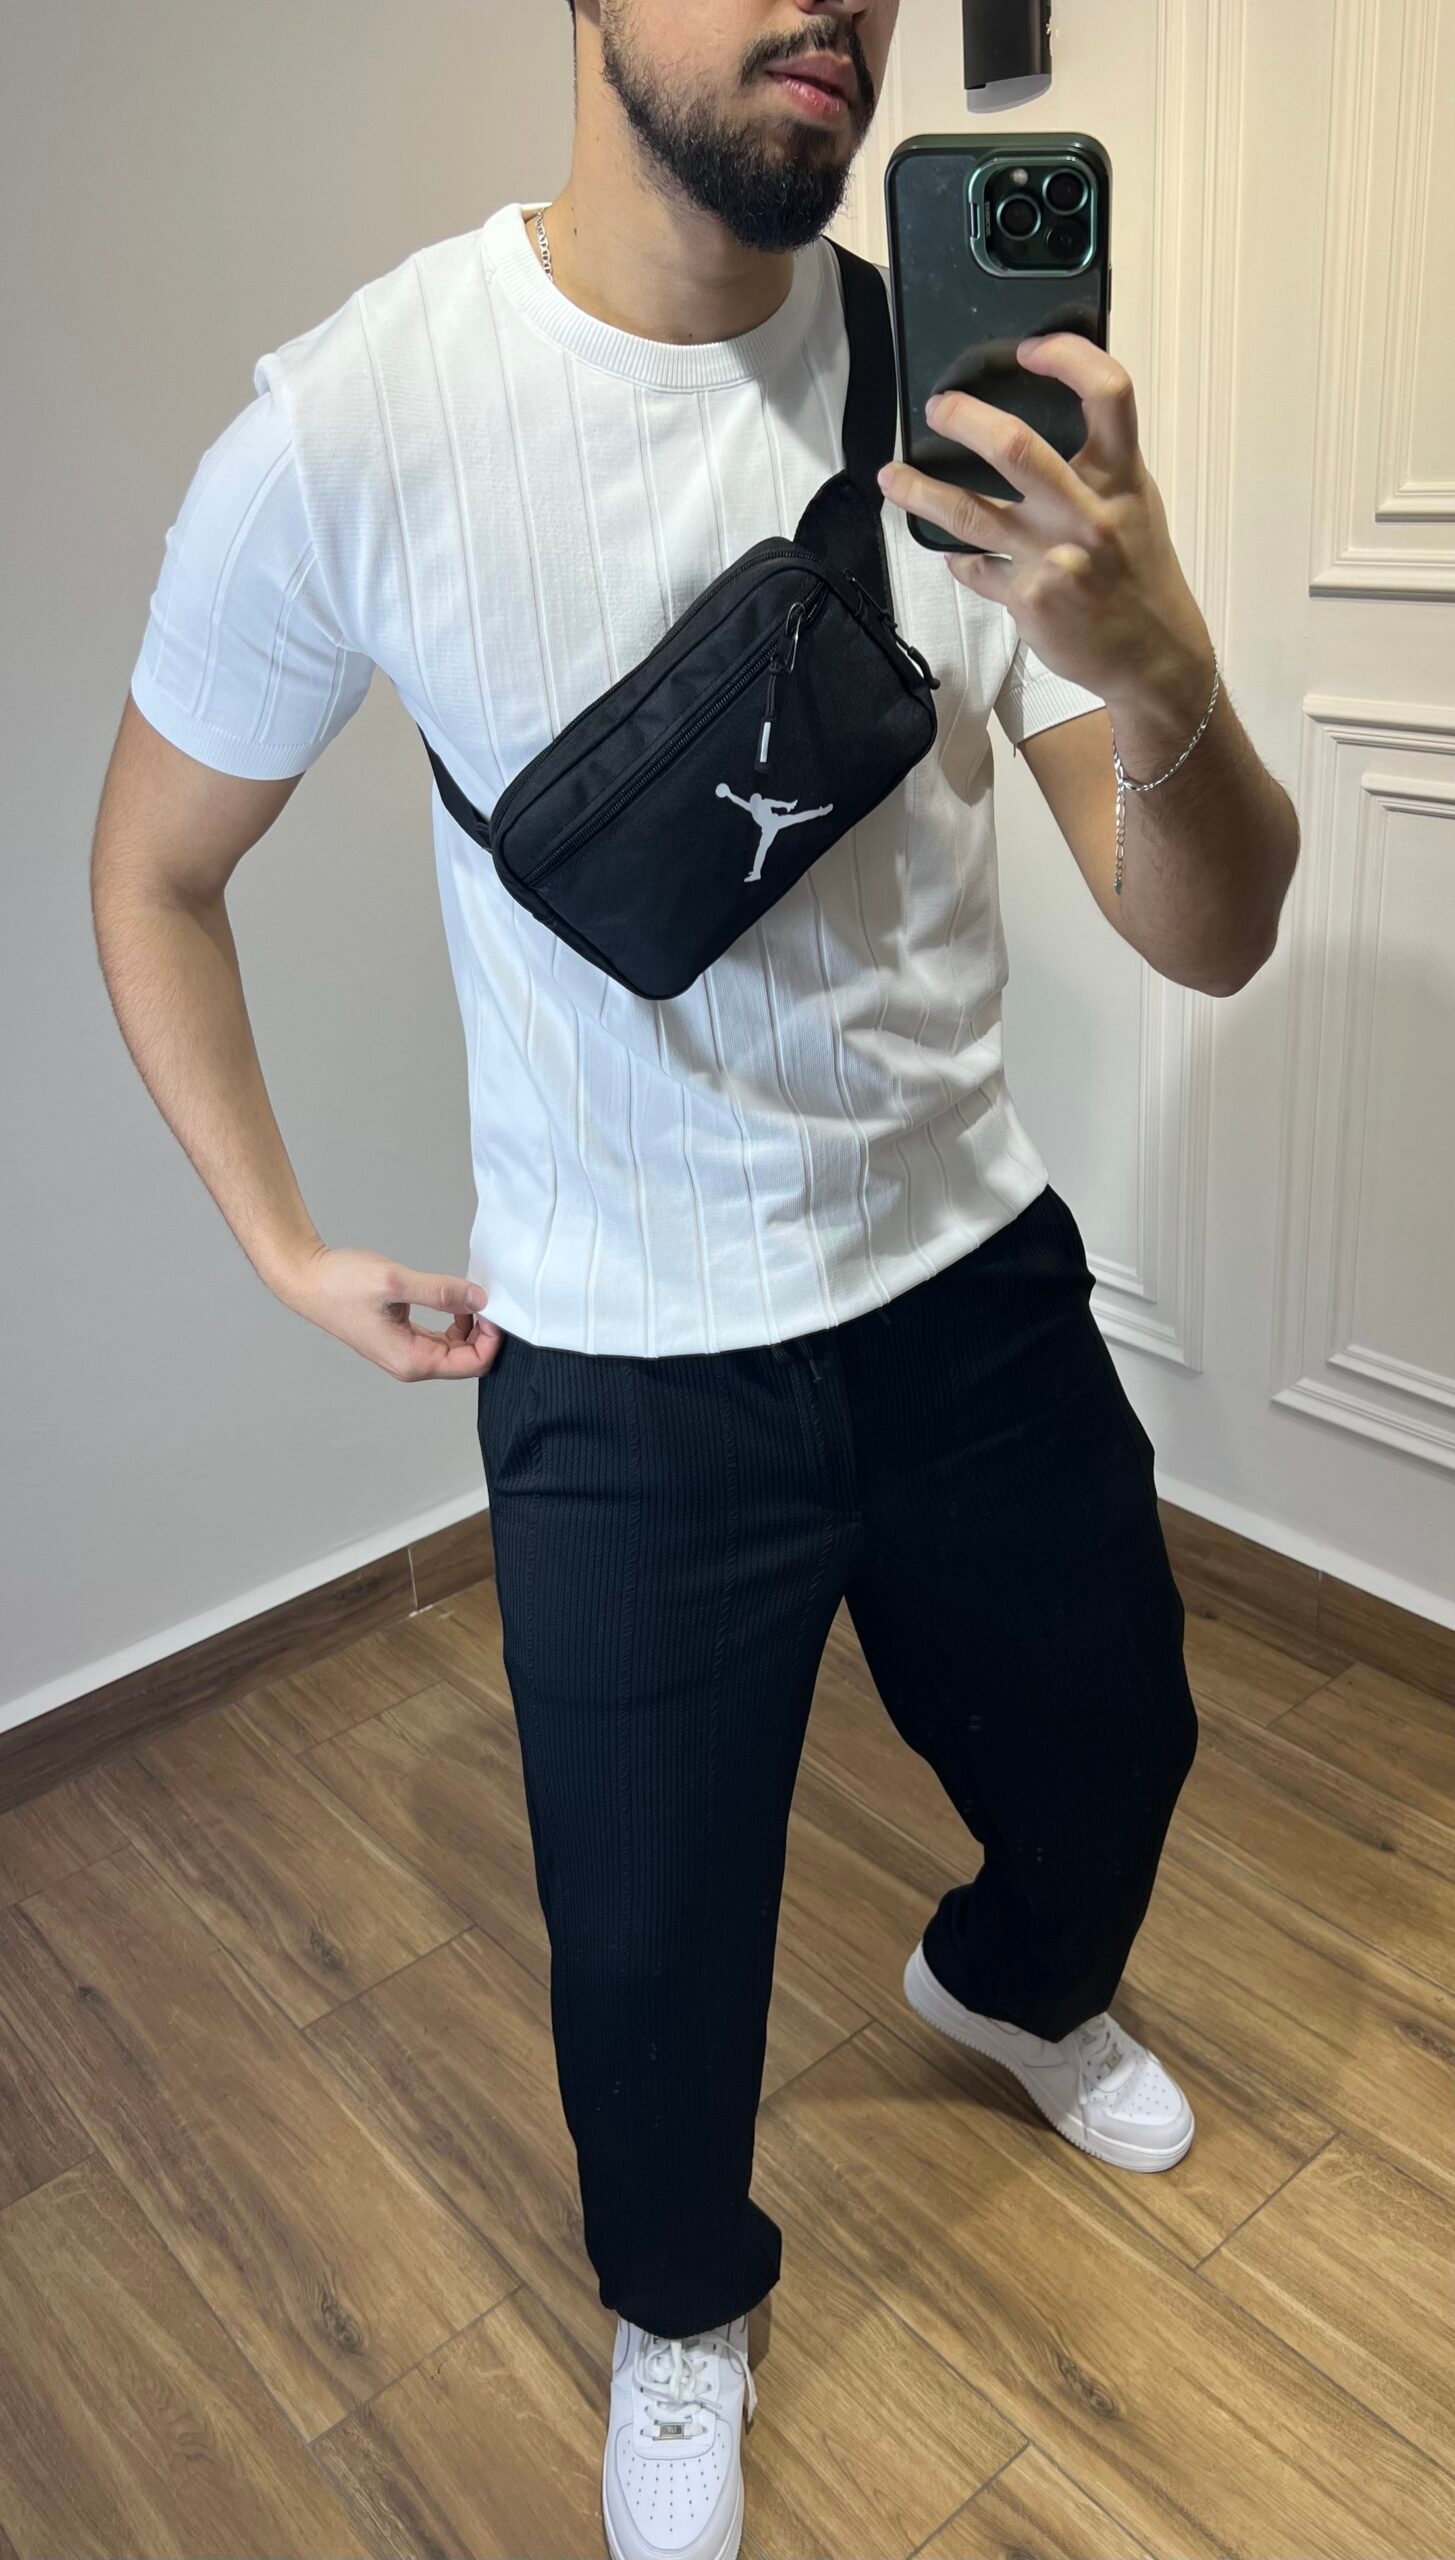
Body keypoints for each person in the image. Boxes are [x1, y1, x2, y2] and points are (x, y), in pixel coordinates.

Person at [94, 4, 1300, 2554]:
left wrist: (1163, 654)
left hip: (968, 1282)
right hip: (624, 1358)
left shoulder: (955, 401)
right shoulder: (352, 424)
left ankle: (1005, 1979)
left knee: (1116, 1746)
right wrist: (282, 1244)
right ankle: (678, 2305)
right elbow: (153, 870)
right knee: (647, 1959)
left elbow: (1207, 934)